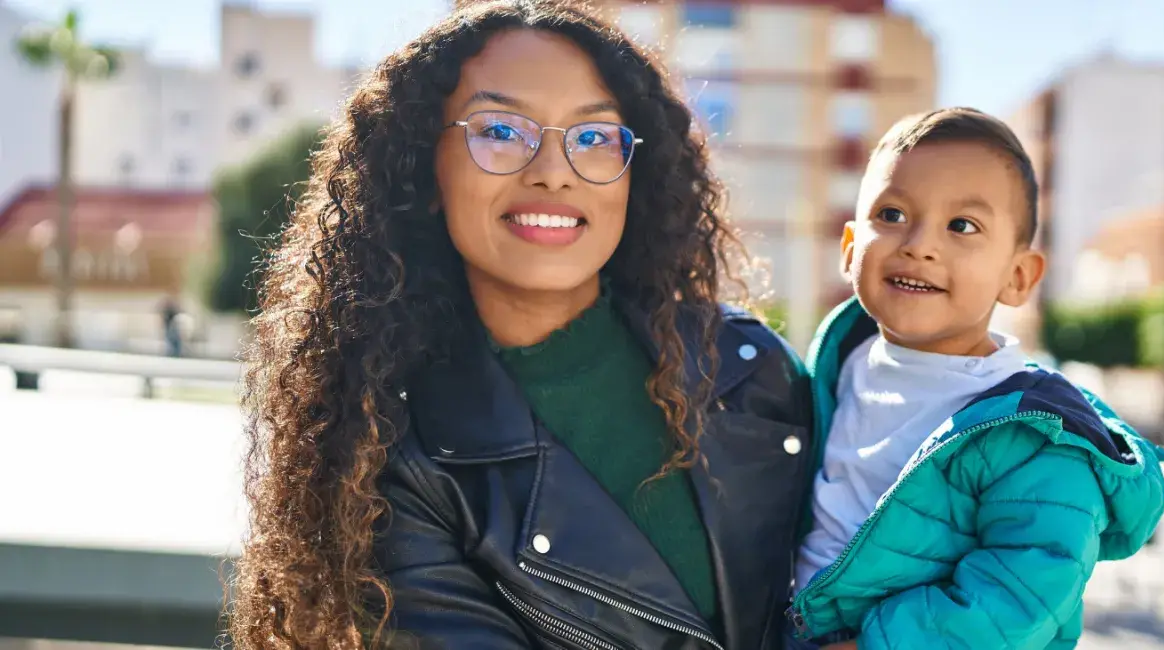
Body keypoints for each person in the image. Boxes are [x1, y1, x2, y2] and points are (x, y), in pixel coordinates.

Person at [228, 2, 813, 648]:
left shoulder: (752, 368)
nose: (553, 172)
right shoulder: (393, 457)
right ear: (426, 171)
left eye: (593, 137)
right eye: (501, 131)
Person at [786, 108, 1164, 649]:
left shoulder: (1036, 433)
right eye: (892, 214)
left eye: (962, 226)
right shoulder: (836, 364)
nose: (920, 244)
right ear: (851, 250)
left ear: (1017, 277)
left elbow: (1023, 592)